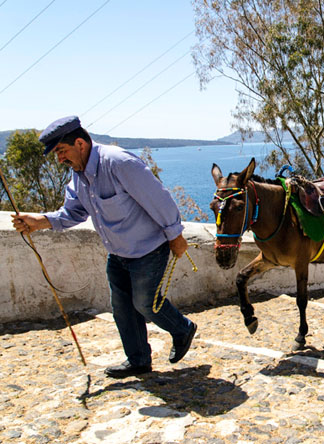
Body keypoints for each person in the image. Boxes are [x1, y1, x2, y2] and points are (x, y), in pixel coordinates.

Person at [11, 116, 197, 378]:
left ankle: (182, 329)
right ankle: (138, 361)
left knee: (144, 303)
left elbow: (160, 200)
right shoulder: (79, 176)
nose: (60, 159)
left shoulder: (119, 163)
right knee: (122, 309)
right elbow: (72, 213)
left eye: (62, 151)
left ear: (80, 143)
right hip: (118, 253)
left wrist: (175, 235)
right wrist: (39, 222)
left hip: (148, 248)